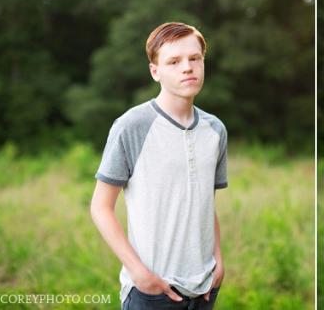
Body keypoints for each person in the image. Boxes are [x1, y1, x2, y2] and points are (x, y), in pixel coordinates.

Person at [90, 22, 228, 309]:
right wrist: (141, 275)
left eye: (195, 59)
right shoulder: (132, 126)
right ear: (156, 72)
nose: (187, 68)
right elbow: (100, 207)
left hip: (204, 288)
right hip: (151, 291)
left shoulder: (215, 130)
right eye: (174, 62)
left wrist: (219, 261)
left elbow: (205, 202)